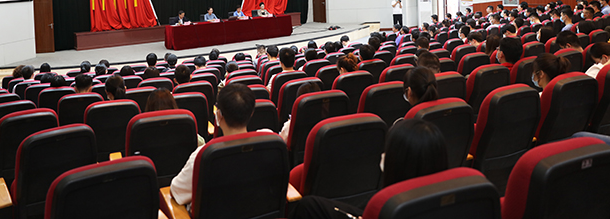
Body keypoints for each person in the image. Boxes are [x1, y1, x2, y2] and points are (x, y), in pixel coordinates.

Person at [290, 118, 448, 219]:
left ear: (398, 164)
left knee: (308, 205)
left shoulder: (382, 206)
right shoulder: (453, 200)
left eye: (387, 151)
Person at [170, 83, 257, 206]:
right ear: (252, 113)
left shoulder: (203, 155)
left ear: (219, 115)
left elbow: (176, 191)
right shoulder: (269, 142)